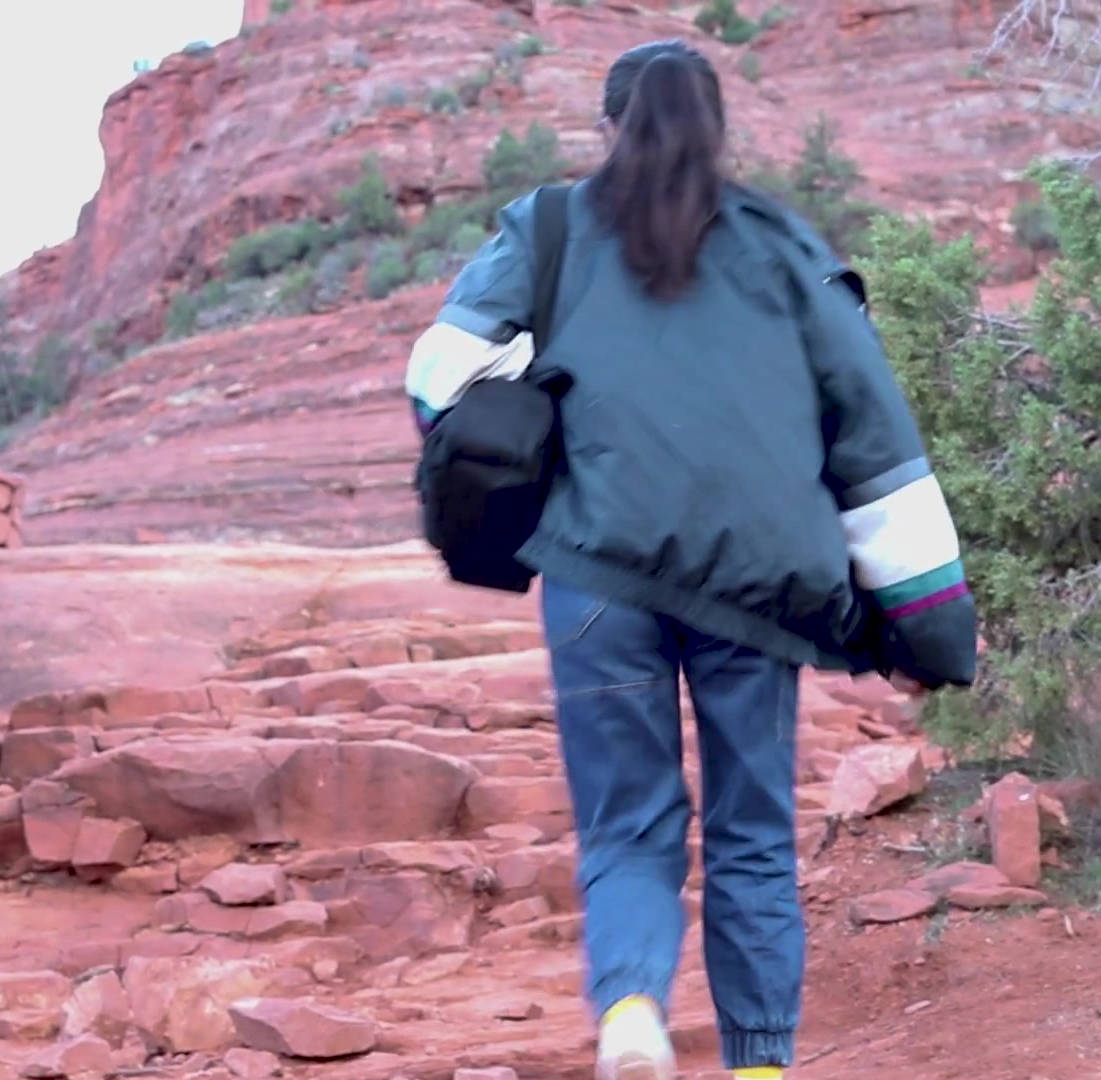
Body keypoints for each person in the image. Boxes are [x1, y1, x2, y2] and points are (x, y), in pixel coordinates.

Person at [402, 38, 978, 1080]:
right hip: (760, 588)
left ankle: (632, 1012)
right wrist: (926, 625)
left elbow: (443, 375)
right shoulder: (787, 248)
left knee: (628, 825)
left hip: (597, 571)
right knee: (752, 834)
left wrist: (555, 408)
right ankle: (757, 1067)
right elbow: (873, 437)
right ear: (718, 129)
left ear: (608, 127)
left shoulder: (550, 227)